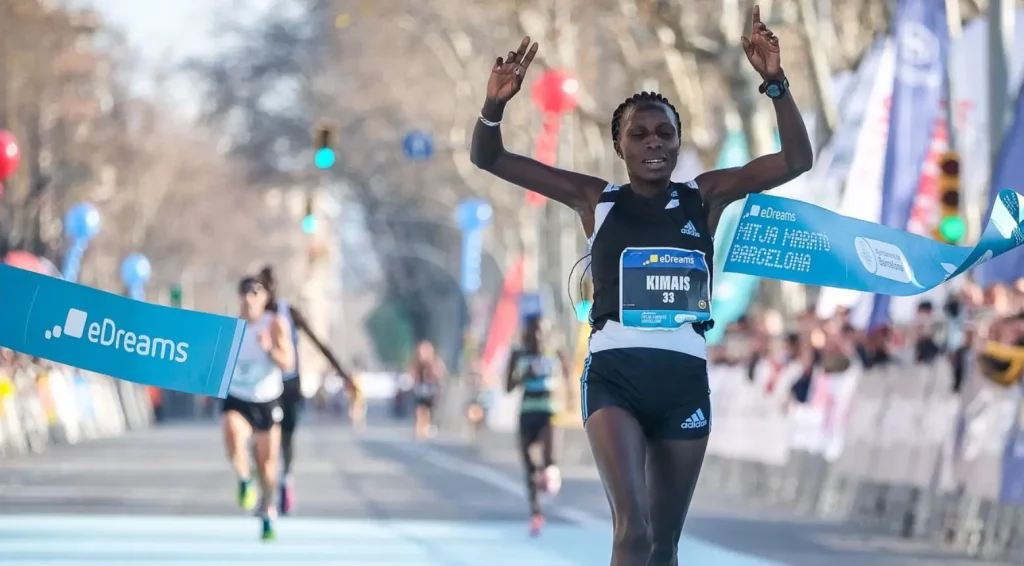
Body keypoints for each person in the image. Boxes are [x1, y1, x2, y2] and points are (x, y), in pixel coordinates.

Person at [469, 6, 811, 563]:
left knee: (663, 543)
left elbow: (797, 159)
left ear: (677, 143)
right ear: (620, 146)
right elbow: (489, 158)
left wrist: (775, 83)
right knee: (632, 529)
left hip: (683, 379)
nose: (654, 142)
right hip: (614, 378)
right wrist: (493, 106)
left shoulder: (705, 196)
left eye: (664, 133)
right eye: (640, 134)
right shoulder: (595, 199)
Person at [256, 265, 359, 515]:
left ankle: (286, 480)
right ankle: (266, 492)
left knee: (286, 439)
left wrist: (344, 375)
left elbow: (319, 344)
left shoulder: (288, 313)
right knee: (263, 441)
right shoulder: (251, 316)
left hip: (288, 385)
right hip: (260, 386)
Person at [222, 276, 295, 541]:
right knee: (231, 429)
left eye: (256, 291)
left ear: (265, 297)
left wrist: (270, 350)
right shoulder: (231, 326)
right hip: (238, 396)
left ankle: (267, 512)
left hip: (266, 400)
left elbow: (288, 363)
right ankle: (243, 480)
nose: (249, 296)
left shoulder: (275, 324)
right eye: (244, 291)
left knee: (267, 466)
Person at [505, 315, 571, 536]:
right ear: (527, 333)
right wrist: (523, 375)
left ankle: (550, 472)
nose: (538, 337)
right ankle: (536, 512)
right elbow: (507, 386)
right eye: (534, 332)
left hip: (549, 411)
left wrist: (571, 397)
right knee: (529, 466)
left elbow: (569, 376)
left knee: (549, 459)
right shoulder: (518, 354)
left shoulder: (555, 353)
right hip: (527, 412)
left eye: (542, 332)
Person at [410, 340, 446, 439]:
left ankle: (425, 428)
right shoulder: (417, 363)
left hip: (431, 388)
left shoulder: (435, 361)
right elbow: (413, 373)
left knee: (427, 410)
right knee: (420, 409)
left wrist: (431, 369)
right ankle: (419, 428)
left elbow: (440, 373)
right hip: (420, 388)